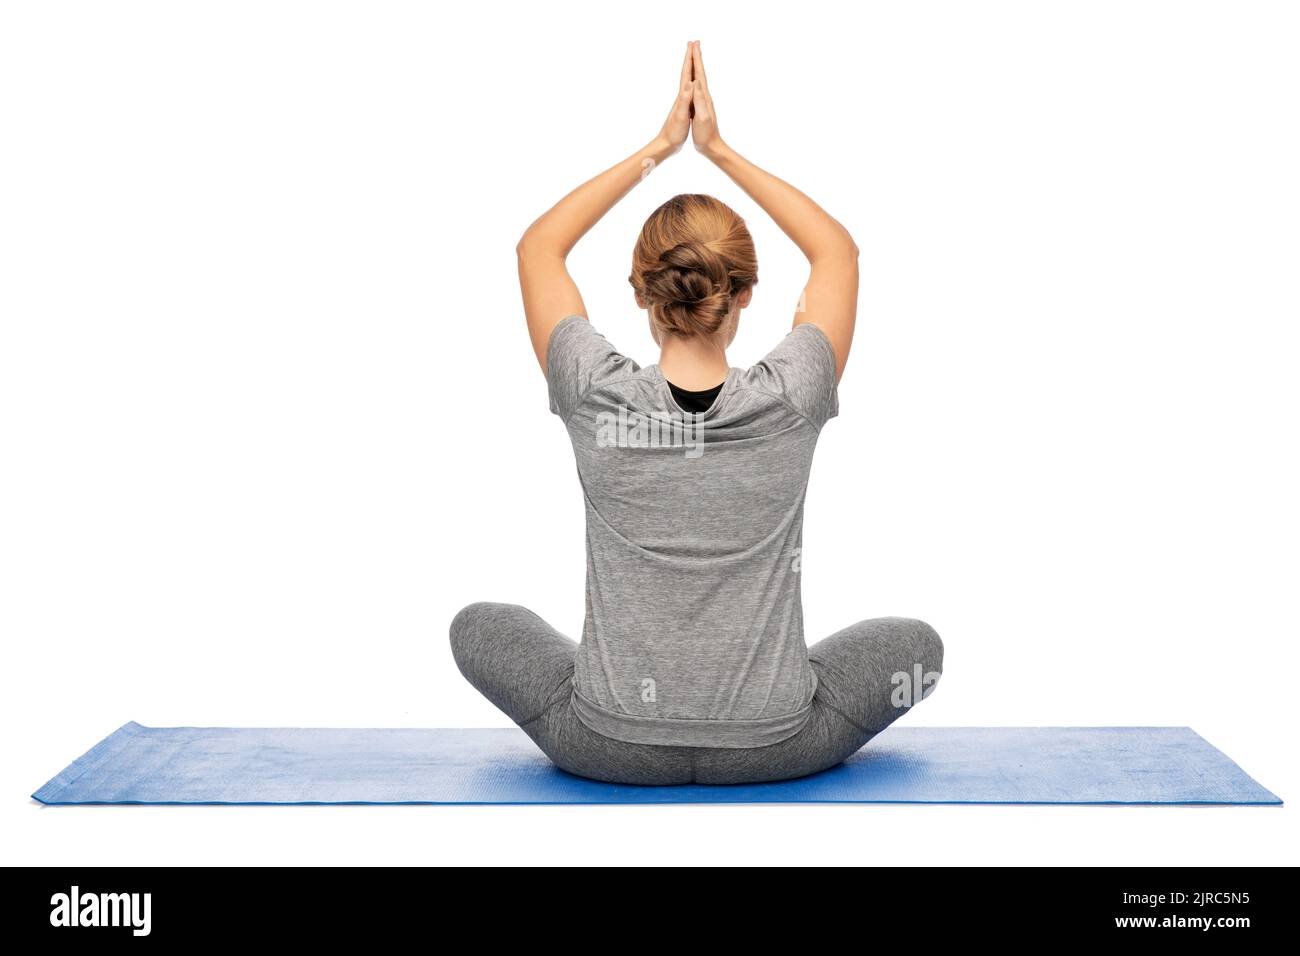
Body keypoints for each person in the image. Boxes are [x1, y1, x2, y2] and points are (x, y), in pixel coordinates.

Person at [450, 42, 942, 785]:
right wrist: (718, 150)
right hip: (777, 746)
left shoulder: (593, 390)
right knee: (919, 647)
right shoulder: (793, 394)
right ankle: (754, 690)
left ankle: (662, 696)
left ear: (641, 293)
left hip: (607, 746)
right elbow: (836, 252)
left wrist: (660, 149)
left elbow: (538, 248)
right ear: (744, 294)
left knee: (476, 626)